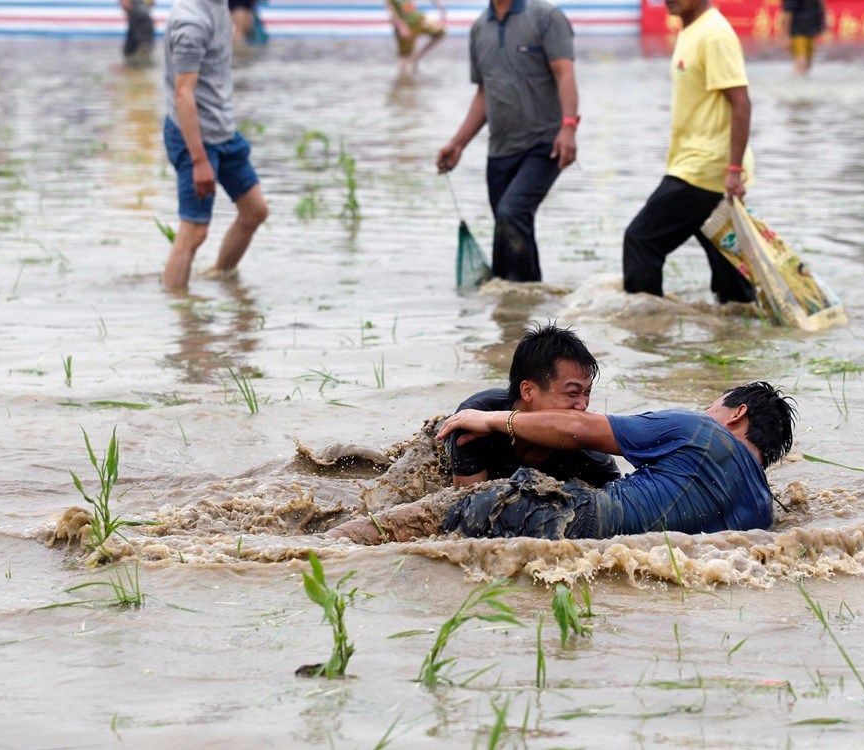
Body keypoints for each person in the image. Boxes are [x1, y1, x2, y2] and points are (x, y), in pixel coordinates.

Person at [327, 382, 795, 544]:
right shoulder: (763, 510)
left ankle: (310, 549)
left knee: (421, 519)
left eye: (713, 406)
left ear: (736, 415)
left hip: (576, 517)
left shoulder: (699, 432)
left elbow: (579, 428)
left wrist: (492, 420)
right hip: (614, 550)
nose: (705, 413)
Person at [621, 0, 756, 305]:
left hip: (705, 171)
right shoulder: (690, 29)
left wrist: (733, 170)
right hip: (701, 167)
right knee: (731, 278)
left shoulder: (715, 34)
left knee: (641, 241)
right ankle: (743, 332)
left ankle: (646, 332)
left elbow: (742, 103)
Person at [435, 0, 580, 283]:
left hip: (545, 144)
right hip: (500, 150)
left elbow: (565, 73)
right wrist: (458, 144)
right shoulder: (479, 29)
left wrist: (568, 128)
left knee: (512, 214)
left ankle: (525, 303)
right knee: (506, 229)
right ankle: (515, 315)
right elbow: (484, 94)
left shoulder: (546, 17)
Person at [162, 0, 269, 292]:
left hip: (223, 130)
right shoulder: (192, 22)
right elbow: (184, 95)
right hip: (193, 135)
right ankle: (179, 314)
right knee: (194, 231)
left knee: (255, 210)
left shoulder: (219, 5)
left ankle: (220, 277)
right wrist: (198, 160)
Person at [447, 323, 619, 488]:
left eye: (587, 393)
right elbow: (467, 510)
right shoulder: (474, 424)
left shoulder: (591, 455)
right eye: (572, 393)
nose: (582, 406)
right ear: (528, 391)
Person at [387, 0, 447, 75]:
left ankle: (416, 57)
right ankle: (403, 78)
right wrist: (401, 27)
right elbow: (392, 13)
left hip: (418, 19)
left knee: (440, 32)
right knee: (404, 58)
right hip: (405, 24)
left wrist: (441, 10)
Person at [782, 0, 825, 75]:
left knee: (805, 62)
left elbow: (819, 9)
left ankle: (803, 83)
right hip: (801, 31)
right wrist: (786, 36)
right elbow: (788, 14)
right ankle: (799, 83)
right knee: (802, 61)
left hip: (807, 31)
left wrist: (820, 28)